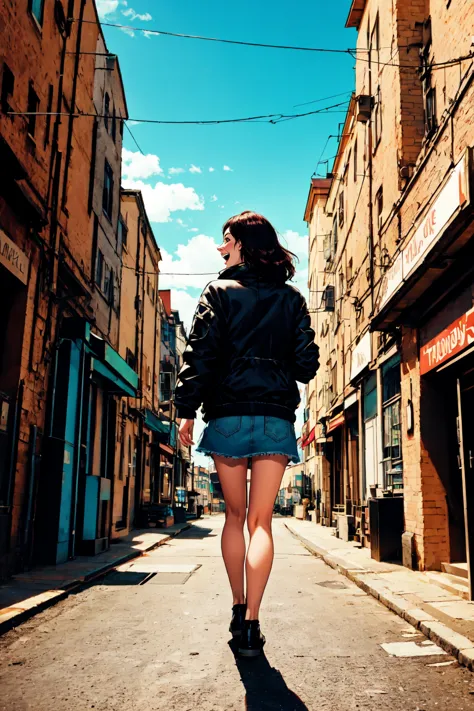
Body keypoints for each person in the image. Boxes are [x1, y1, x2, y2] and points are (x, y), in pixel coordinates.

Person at [175, 211, 319, 657]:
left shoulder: (217, 293)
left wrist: (185, 411)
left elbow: (198, 356)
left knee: (234, 518)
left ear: (241, 244)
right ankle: (255, 622)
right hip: (275, 418)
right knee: (262, 522)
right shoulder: (292, 299)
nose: (220, 248)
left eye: (225, 239)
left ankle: (238, 610)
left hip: (228, 416)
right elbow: (307, 365)